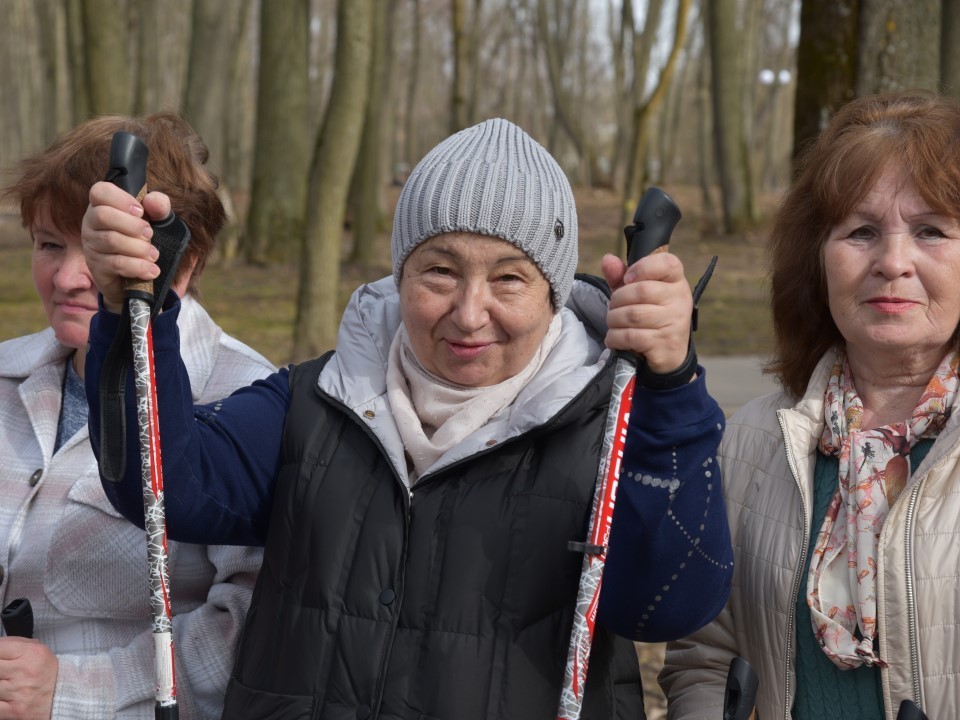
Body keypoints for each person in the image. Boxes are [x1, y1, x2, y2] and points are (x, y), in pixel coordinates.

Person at [81, 118, 733, 719]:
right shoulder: (317, 400)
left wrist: (669, 388)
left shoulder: (609, 427)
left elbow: (666, 604)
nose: (470, 313)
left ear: (553, 293)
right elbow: (160, 484)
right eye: (440, 271)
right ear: (400, 273)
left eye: (509, 279)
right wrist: (134, 308)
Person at [659, 90, 960, 720]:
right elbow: (704, 659)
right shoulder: (751, 440)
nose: (892, 262)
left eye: (931, 230)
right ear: (817, 259)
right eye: (862, 231)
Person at [0, 112, 274, 719]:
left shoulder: (246, 403)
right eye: (50, 244)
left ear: (187, 257)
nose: (72, 278)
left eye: (101, 249)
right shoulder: (5, 377)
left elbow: (254, 625)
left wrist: (71, 691)